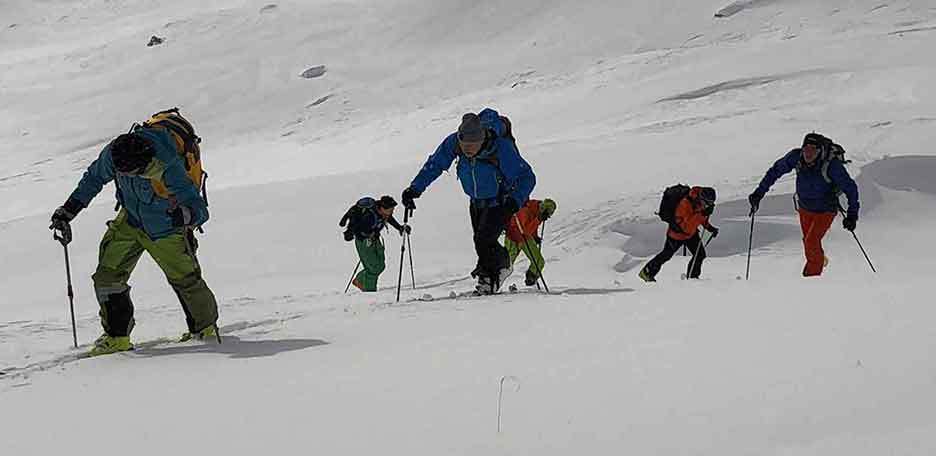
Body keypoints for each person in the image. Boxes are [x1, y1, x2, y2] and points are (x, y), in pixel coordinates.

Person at [48, 114, 218, 357]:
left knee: (186, 280)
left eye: (138, 172)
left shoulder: (168, 164)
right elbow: (94, 178)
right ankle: (117, 338)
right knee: (107, 277)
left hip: (166, 228)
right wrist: (68, 210)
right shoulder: (114, 154)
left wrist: (186, 216)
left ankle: (205, 329)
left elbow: (199, 208)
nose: (132, 176)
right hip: (130, 219)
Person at [400, 109, 536, 295]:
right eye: (465, 146)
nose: (467, 150)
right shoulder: (453, 143)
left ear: (482, 140)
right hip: (476, 200)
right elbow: (435, 165)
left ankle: (500, 268)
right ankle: (487, 278)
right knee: (480, 242)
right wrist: (414, 189)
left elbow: (527, 176)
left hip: (501, 200)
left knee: (484, 240)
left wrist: (515, 200)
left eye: (472, 146)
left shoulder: (500, 147)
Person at [748, 132, 859, 277]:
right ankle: (819, 260)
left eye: (813, 150)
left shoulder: (831, 166)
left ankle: (812, 280)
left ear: (820, 151)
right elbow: (775, 172)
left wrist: (852, 215)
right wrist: (758, 194)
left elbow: (850, 188)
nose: (808, 153)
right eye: (806, 149)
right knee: (808, 242)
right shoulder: (796, 157)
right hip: (805, 208)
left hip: (826, 210)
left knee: (811, 241)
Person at [639, 187, 719, 282]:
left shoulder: (700, 204)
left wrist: (710, 228)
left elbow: (700, 219)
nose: (707, 206)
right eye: (707, 203)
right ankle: (646, 272)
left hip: (691, 234)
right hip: (676, 235)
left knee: (700, 255)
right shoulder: (685, 204)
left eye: (710, 204)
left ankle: (692, 279)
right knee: (666, 255)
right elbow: (685, 227)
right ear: (701, 198)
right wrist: (702, 214)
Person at [339, 196, 410, 292]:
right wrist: (364, 233)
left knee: (380, 266)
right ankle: (369, 291)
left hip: (375, 239)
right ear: (382, 208)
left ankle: (359, 280)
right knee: (374, 268)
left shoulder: (382, 213)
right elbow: (358, 229)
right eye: (391, 209)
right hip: (364, 242)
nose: (392, 211)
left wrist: (400, 228)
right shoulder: (369, 216)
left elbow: (389, 219)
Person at [504, 198, 556, 286]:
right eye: (547, 215)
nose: (547, 217)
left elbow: (531, 227)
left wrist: (535, 236)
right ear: (543, 209)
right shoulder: (525, 211)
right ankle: (492, 281)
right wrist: (538, 219)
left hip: (526, 238)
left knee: (539, 261)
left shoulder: (537, 212)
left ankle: (531, 278)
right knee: (506, 265)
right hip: (513, 238)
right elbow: (524, 231)